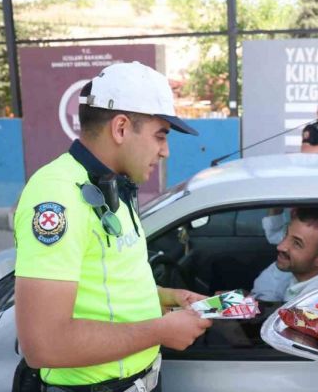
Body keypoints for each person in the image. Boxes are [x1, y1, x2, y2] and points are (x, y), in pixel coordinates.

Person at [13, 62, 213, 392]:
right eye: (160, 135)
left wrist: (165, 296)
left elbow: (106, 282)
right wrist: (160, 330)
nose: (165, 150)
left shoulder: (111, 184)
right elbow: (43, 344)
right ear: (120, 128)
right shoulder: (57, 195)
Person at [251, 207, 318, 302]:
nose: (280, 246)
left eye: (297, 243)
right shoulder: (302, 276)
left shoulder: (314, 299)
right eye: (286, 234)